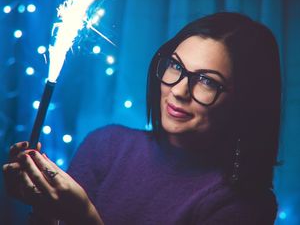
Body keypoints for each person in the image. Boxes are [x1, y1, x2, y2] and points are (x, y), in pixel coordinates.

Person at [2, 12, 281, 224]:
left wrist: (85, 217)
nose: (179, 90)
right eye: (175, 66)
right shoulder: (107, 145)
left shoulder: (243, 204)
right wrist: (42, 205)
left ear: (244, 100)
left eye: (207, 81)